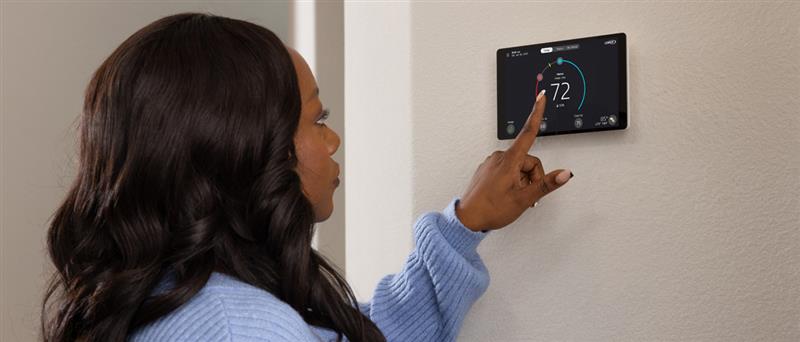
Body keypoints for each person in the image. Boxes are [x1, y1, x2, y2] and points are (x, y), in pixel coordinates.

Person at [40, 13, 572, 342]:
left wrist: (464, 224)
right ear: (241, 150)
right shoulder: (241, 329)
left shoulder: (164, 297)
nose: (333, 140)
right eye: (318, 119)